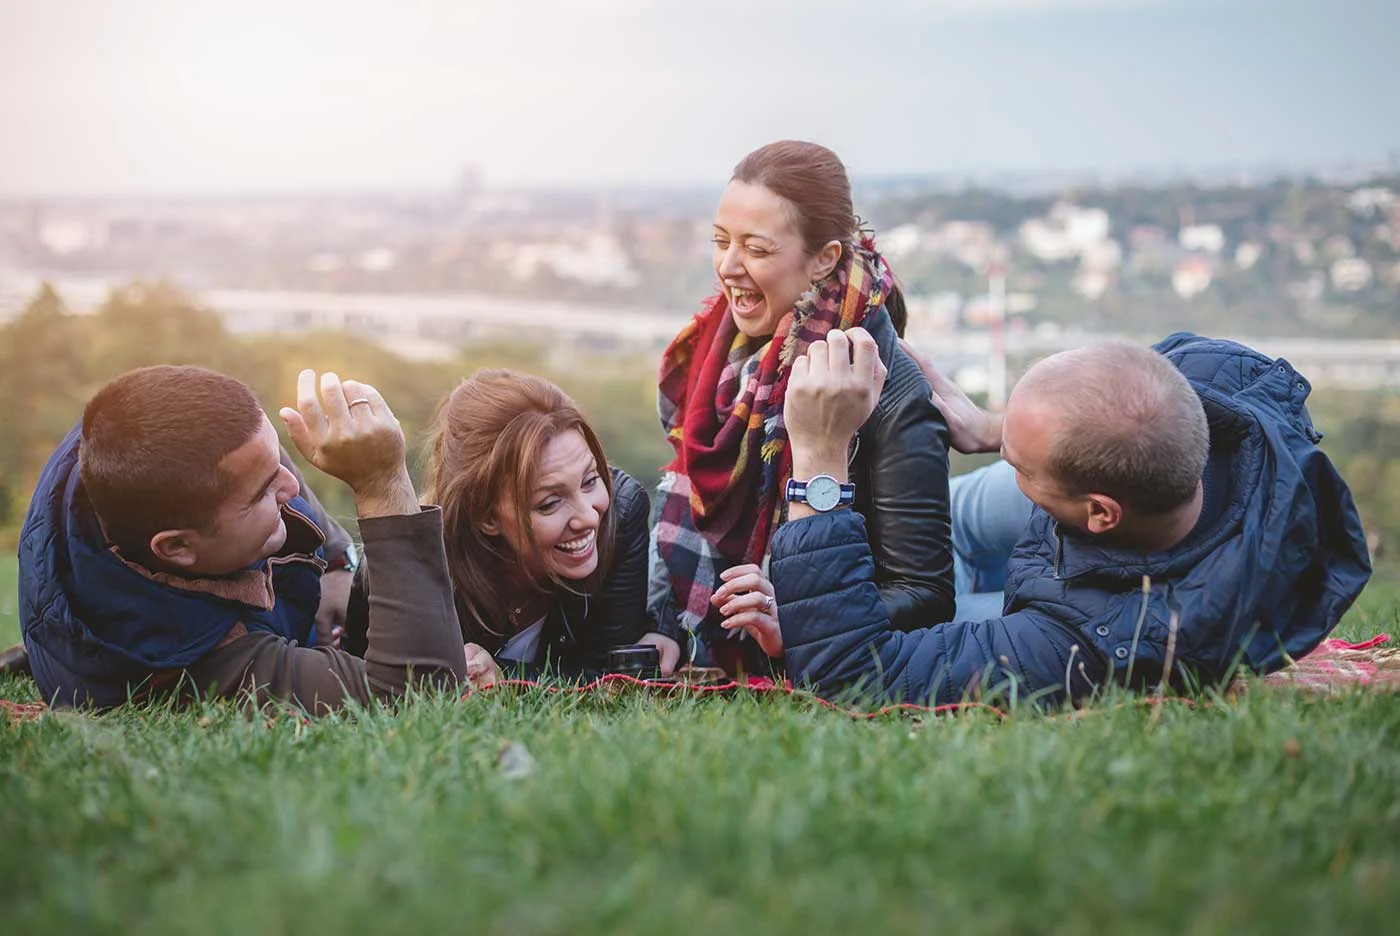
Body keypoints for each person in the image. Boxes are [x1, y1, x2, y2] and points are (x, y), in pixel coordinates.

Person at [741, 329, 1371, 708]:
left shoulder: (1104, 639)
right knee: (950, 519)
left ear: (1098, 512)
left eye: (1018, 462)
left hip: (1090, 595)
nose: (1001, 460)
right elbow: (1116, 390)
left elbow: (857, 676)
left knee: (936, 627)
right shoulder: (1212, 382)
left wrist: (819, 458)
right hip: (1090, 538)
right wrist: (993, 427)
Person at [648, 140, 955, 677]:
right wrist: (659, 620)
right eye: (721, 242)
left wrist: (793, 618)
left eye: (757, 250)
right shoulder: (707, 356)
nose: (728, 267)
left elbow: (924, 594)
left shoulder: (888, 391)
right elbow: (683, 497)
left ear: (824, 259)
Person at [18, 366, 466, 712]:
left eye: (277, 462)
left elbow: (253, 464)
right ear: (177, 548)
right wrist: (382, 484)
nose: (292, 487)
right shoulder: (181, 656)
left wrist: (334, 559)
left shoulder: (139, 444)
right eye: (262, 492)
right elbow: (418, 693)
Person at [343, 369, 674, 686]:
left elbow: (608, 672)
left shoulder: (621, 512)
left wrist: (504, 674)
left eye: (590, 480)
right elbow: (367, 681)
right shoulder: (404, 566)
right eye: (550, 503)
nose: (588, 516)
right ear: (485, 515)